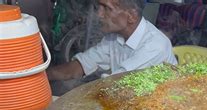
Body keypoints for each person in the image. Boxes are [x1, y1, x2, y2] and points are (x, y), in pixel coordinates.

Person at [47, 0, 177, 81]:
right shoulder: (114, 38)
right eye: (100, 7)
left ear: (131, 16)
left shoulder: (155, 46)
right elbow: (82, 65)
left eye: (107, 8)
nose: (99, 14)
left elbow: (113, 85)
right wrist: (40, 77)